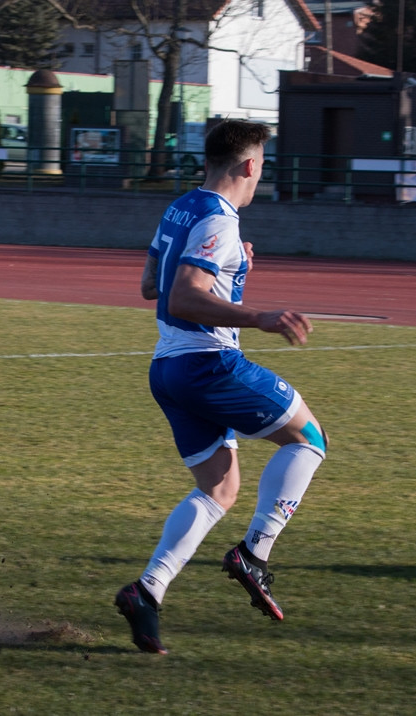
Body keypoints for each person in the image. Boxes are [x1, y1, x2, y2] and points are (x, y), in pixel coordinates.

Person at [116, 120, 327, 655]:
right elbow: (183, 297)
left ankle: (147, 591)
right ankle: (253, 554)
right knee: (309, 439)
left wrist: (231, 271)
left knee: (219, 489)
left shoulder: (182, 206)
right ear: (251, 165)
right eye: (263, 166)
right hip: (208, 365)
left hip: (167, 370)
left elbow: (149, 285)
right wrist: (259, 315)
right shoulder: (219, 219)